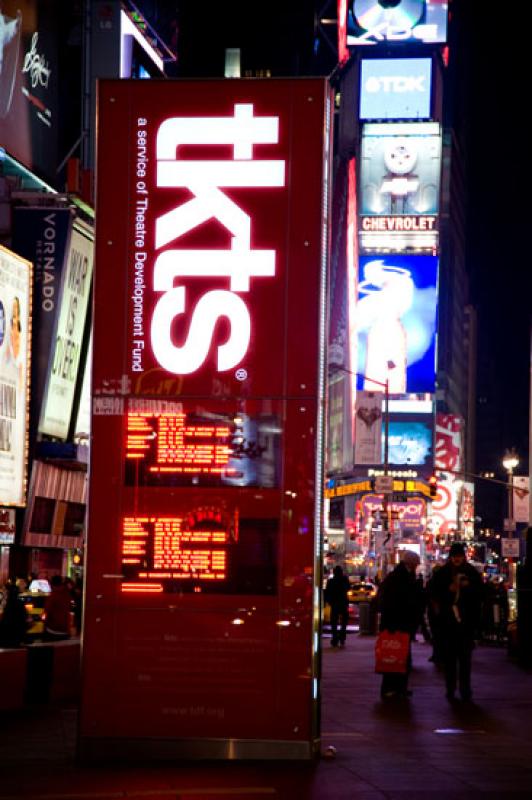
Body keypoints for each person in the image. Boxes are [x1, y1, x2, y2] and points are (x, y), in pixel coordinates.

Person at [429, 542, 484, 701]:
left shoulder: (471, 572)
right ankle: (451, 688)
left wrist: (468, 587)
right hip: (448, 622)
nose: (457, 559)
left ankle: (465, 689)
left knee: (465, 660)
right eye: (454, 556)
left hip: (466, 623)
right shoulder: (443, 573)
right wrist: (449, 590)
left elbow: (480, 593)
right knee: (450, 660)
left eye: (459, 556)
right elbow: (433, 593)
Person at [376, 550, 420, 699]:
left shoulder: (397, 576)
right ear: (411, 563)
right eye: (416, 563)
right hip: (398, 623)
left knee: (397, 656)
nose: (417, 566)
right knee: (397, 656)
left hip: (395, 622)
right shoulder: (402, 578)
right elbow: (403, 601)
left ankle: (397, 688)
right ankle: (393, 688)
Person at [324, 565, 350, 647]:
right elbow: (348, 588)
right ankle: (342, 637)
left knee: (334, 622)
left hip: (334, 603)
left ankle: (335, 638)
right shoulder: (344, 580)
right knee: (344, 622)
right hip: (343, 603)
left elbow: (327, 592)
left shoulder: (331, 581)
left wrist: (328, 601)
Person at [43, 576, 71, 641]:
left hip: (53, 629)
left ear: (51, 583)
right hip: (65, 629)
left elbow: (46, 612)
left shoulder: (53, 595)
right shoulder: (67, 594)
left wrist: (43, 620)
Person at [0, 582, 28, 647]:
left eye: (4, 590)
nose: (2, 591)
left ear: (8, 592)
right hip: (17, 639)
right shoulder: (20, 603)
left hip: (6, 638)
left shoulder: (8, 604)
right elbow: (27, 620)